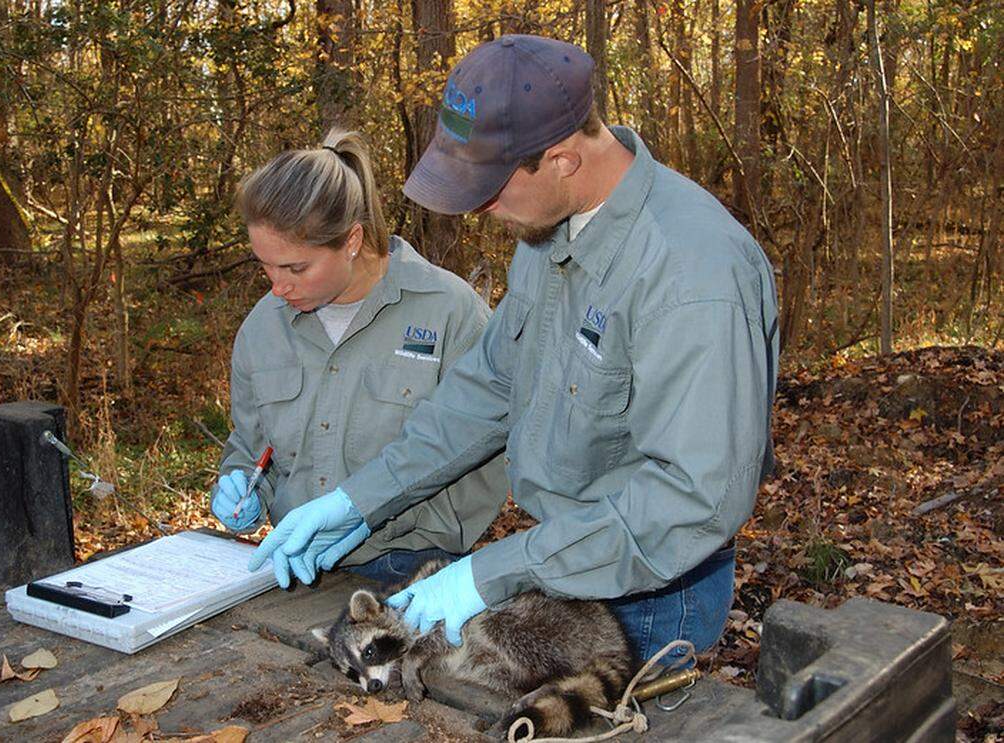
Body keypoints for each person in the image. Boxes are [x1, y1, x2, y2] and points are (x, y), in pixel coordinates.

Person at [250, 36, 779, 659]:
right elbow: (488, 389)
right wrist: (358, 501)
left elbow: (693, 498)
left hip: (654, 593)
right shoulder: (547, 236)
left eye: (491, 189)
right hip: (560, 567)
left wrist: (487, 575)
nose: (480, 208)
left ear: (561, 159)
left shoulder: (694, 275)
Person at [212, 128, 507, 589]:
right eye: (264, 266)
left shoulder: (450, 312)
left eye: (295, 268)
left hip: (415, 573)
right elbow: (252, 450)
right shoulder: (263, 328)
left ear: (351, 240)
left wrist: (363, 509)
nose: (277, 287)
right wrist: (238, 487)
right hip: (292, 572)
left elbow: (479, 439)